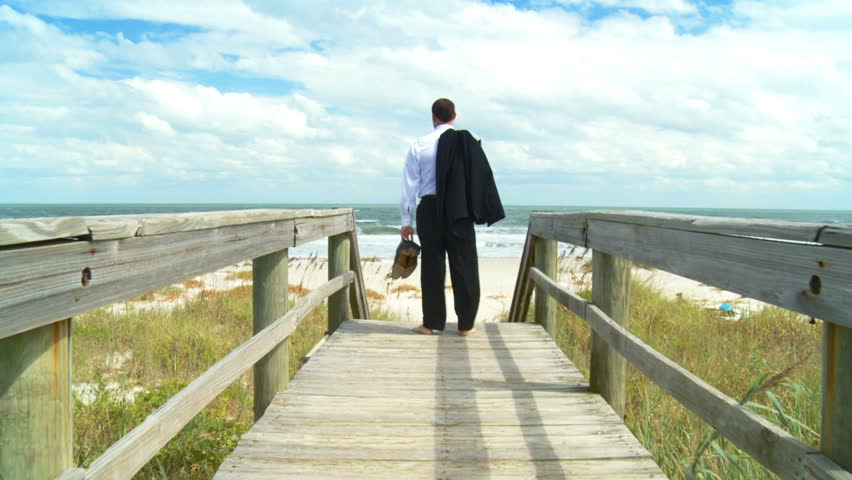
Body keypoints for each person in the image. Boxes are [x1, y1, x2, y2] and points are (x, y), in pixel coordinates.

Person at [400, 98, 504, 336]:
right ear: (454, 116)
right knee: (465, 264)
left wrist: (406, 221)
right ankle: (466, 325)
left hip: (430, 209)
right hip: (460, 210)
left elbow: (409, 186)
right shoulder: (466, 143)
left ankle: (431, 324)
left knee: (433, 267)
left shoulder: (419, 145)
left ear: (433, 117)